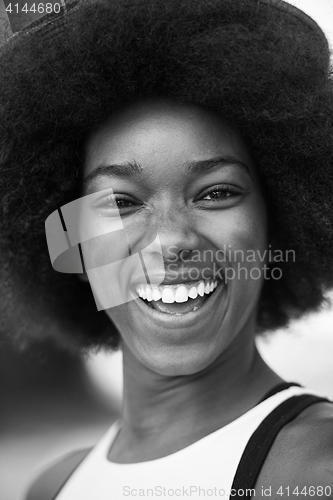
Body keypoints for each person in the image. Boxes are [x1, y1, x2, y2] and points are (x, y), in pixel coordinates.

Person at [0, 0, 332, 498]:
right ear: (74, 243)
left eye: (217, 192)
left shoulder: (316, 471)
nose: (172, 240)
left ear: (275, 223)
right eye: (120, 202)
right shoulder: (52, 486)